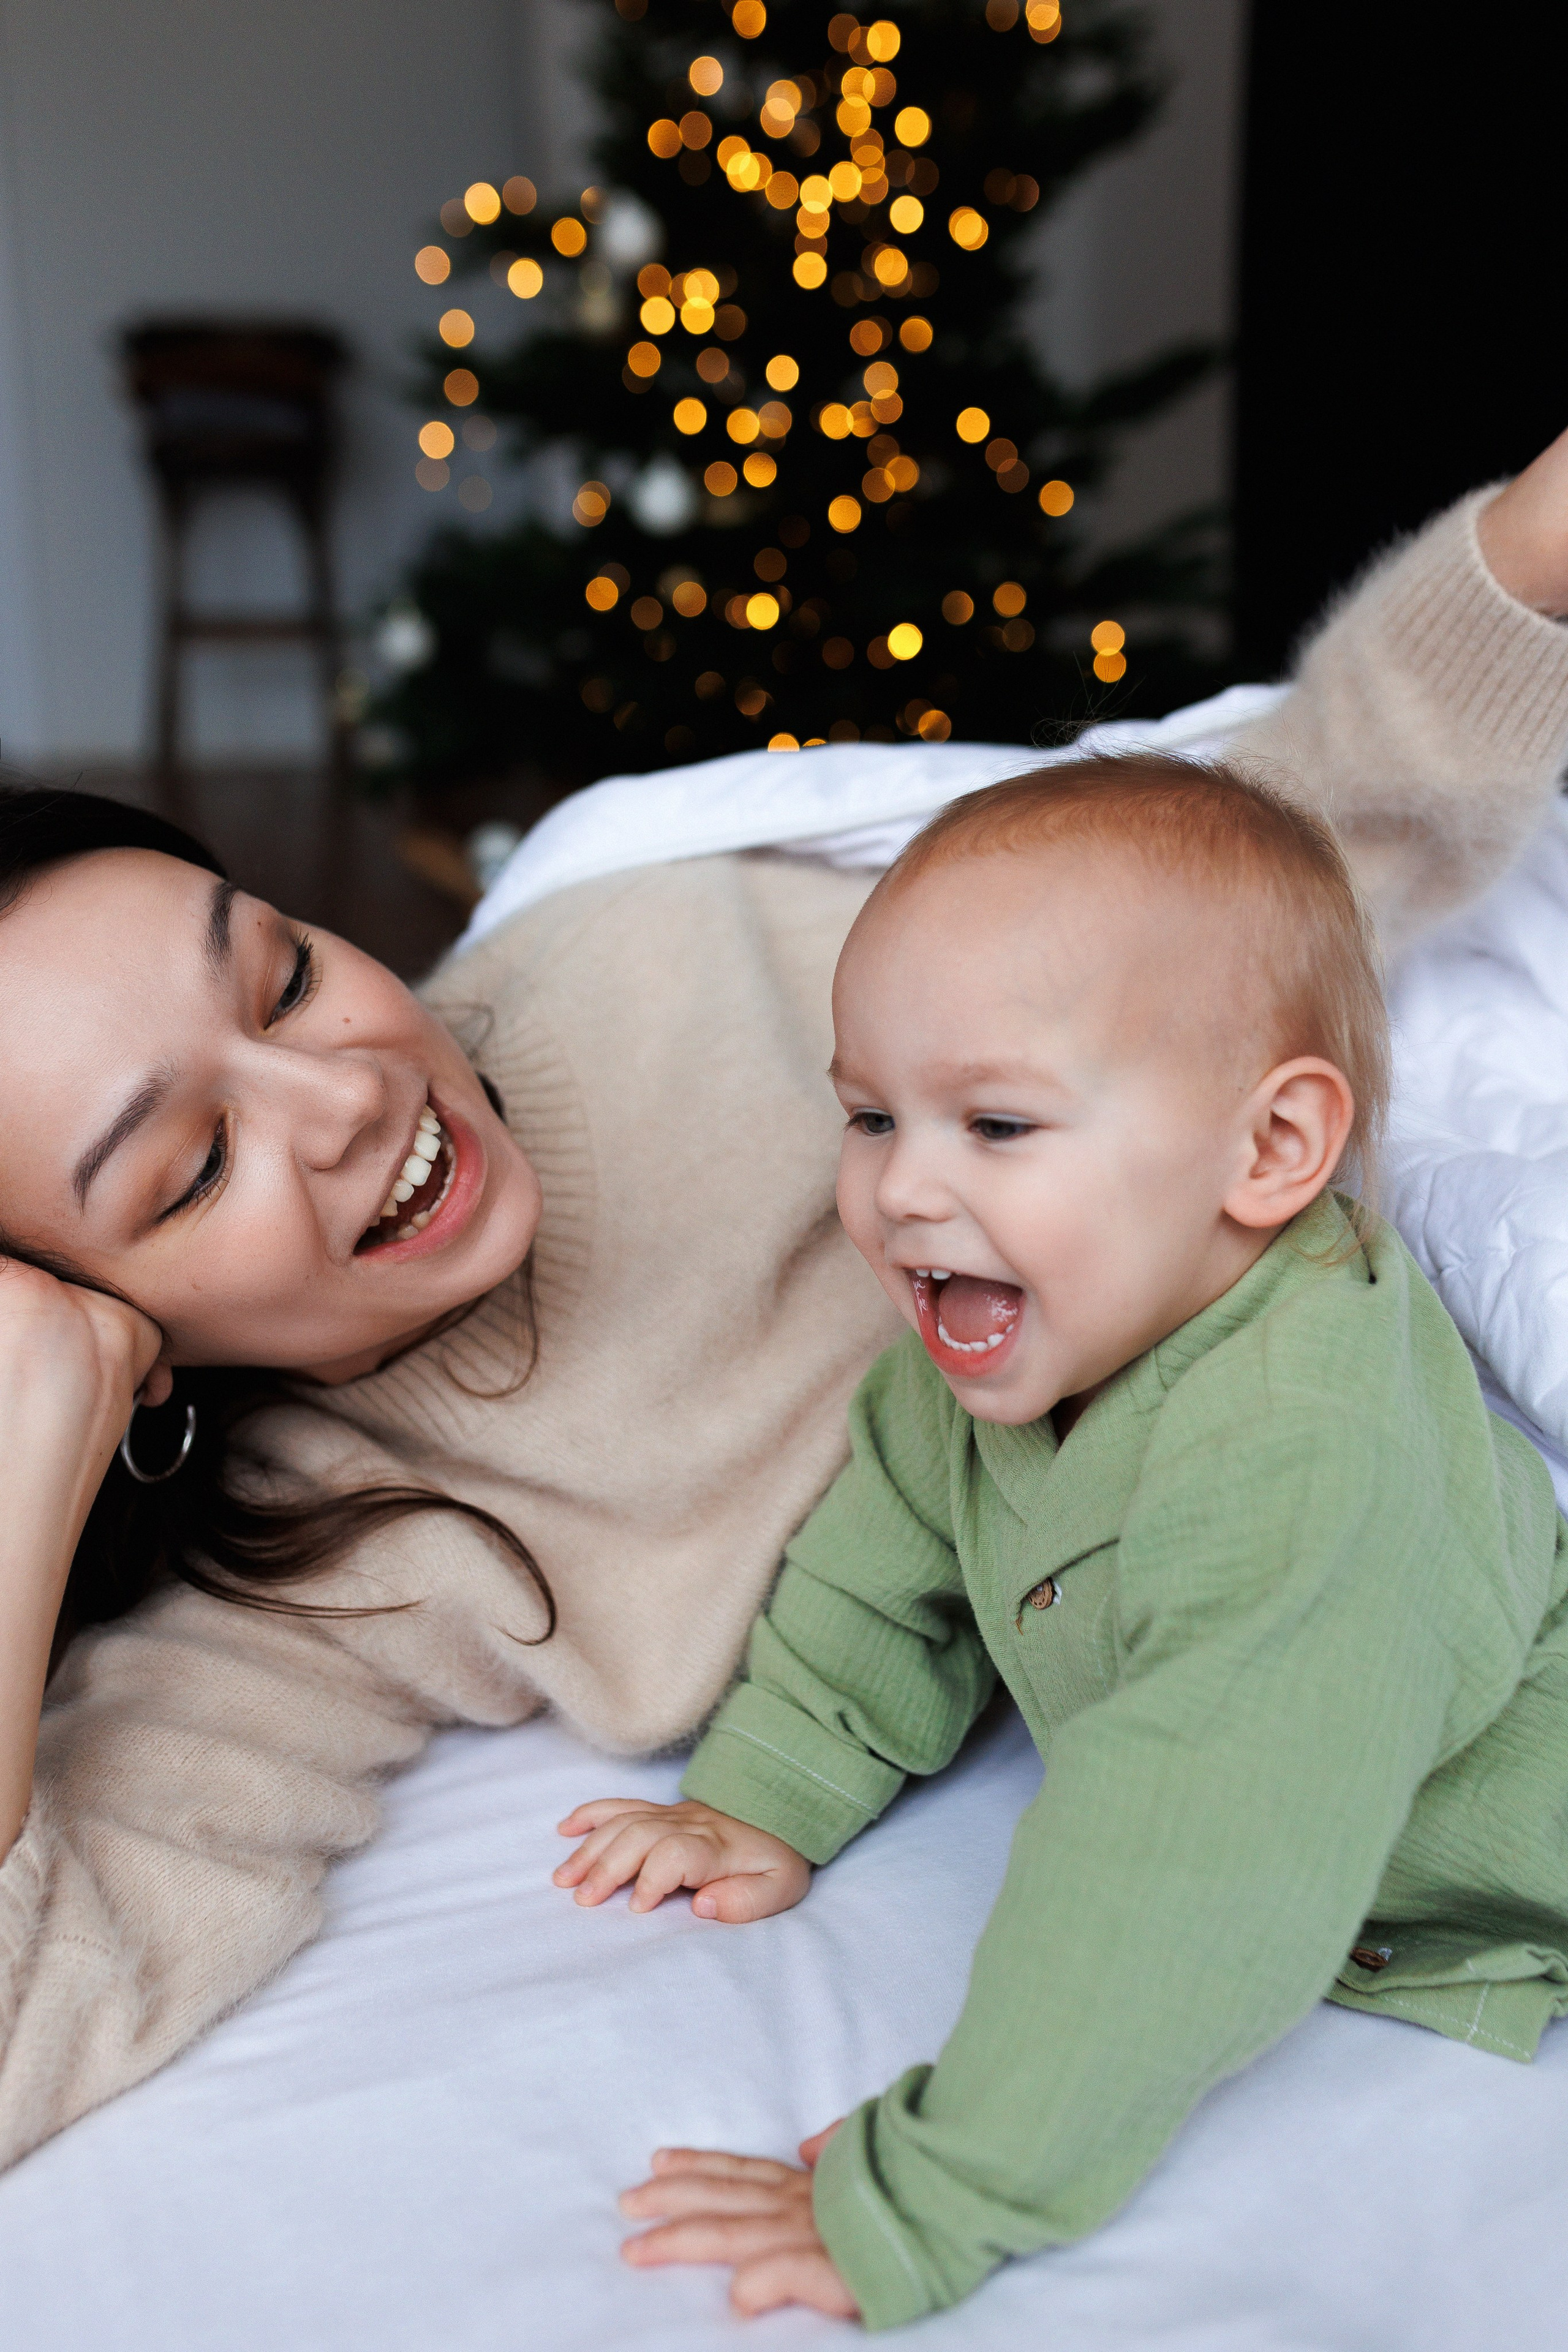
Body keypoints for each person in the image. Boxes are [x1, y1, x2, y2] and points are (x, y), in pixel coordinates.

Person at [1, 448, 1567, 2177]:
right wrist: (18, 1485)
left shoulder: (659, 949)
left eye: (285, 973)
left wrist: (1523, 553)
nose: (343, 1096)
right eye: (192, 1168)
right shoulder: (311, 1587)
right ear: (94, 1329)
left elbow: (1263, 875)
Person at [562, 758, 1568, 2331]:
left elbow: (1183, 1863)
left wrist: (942, 2183)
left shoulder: (1303, 1457)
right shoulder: (973, 1366)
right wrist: (769, 1792)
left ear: (1267, 1152)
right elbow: (873, 1575)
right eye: (869, 1115)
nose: (901, 1188)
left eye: (998, 1121)